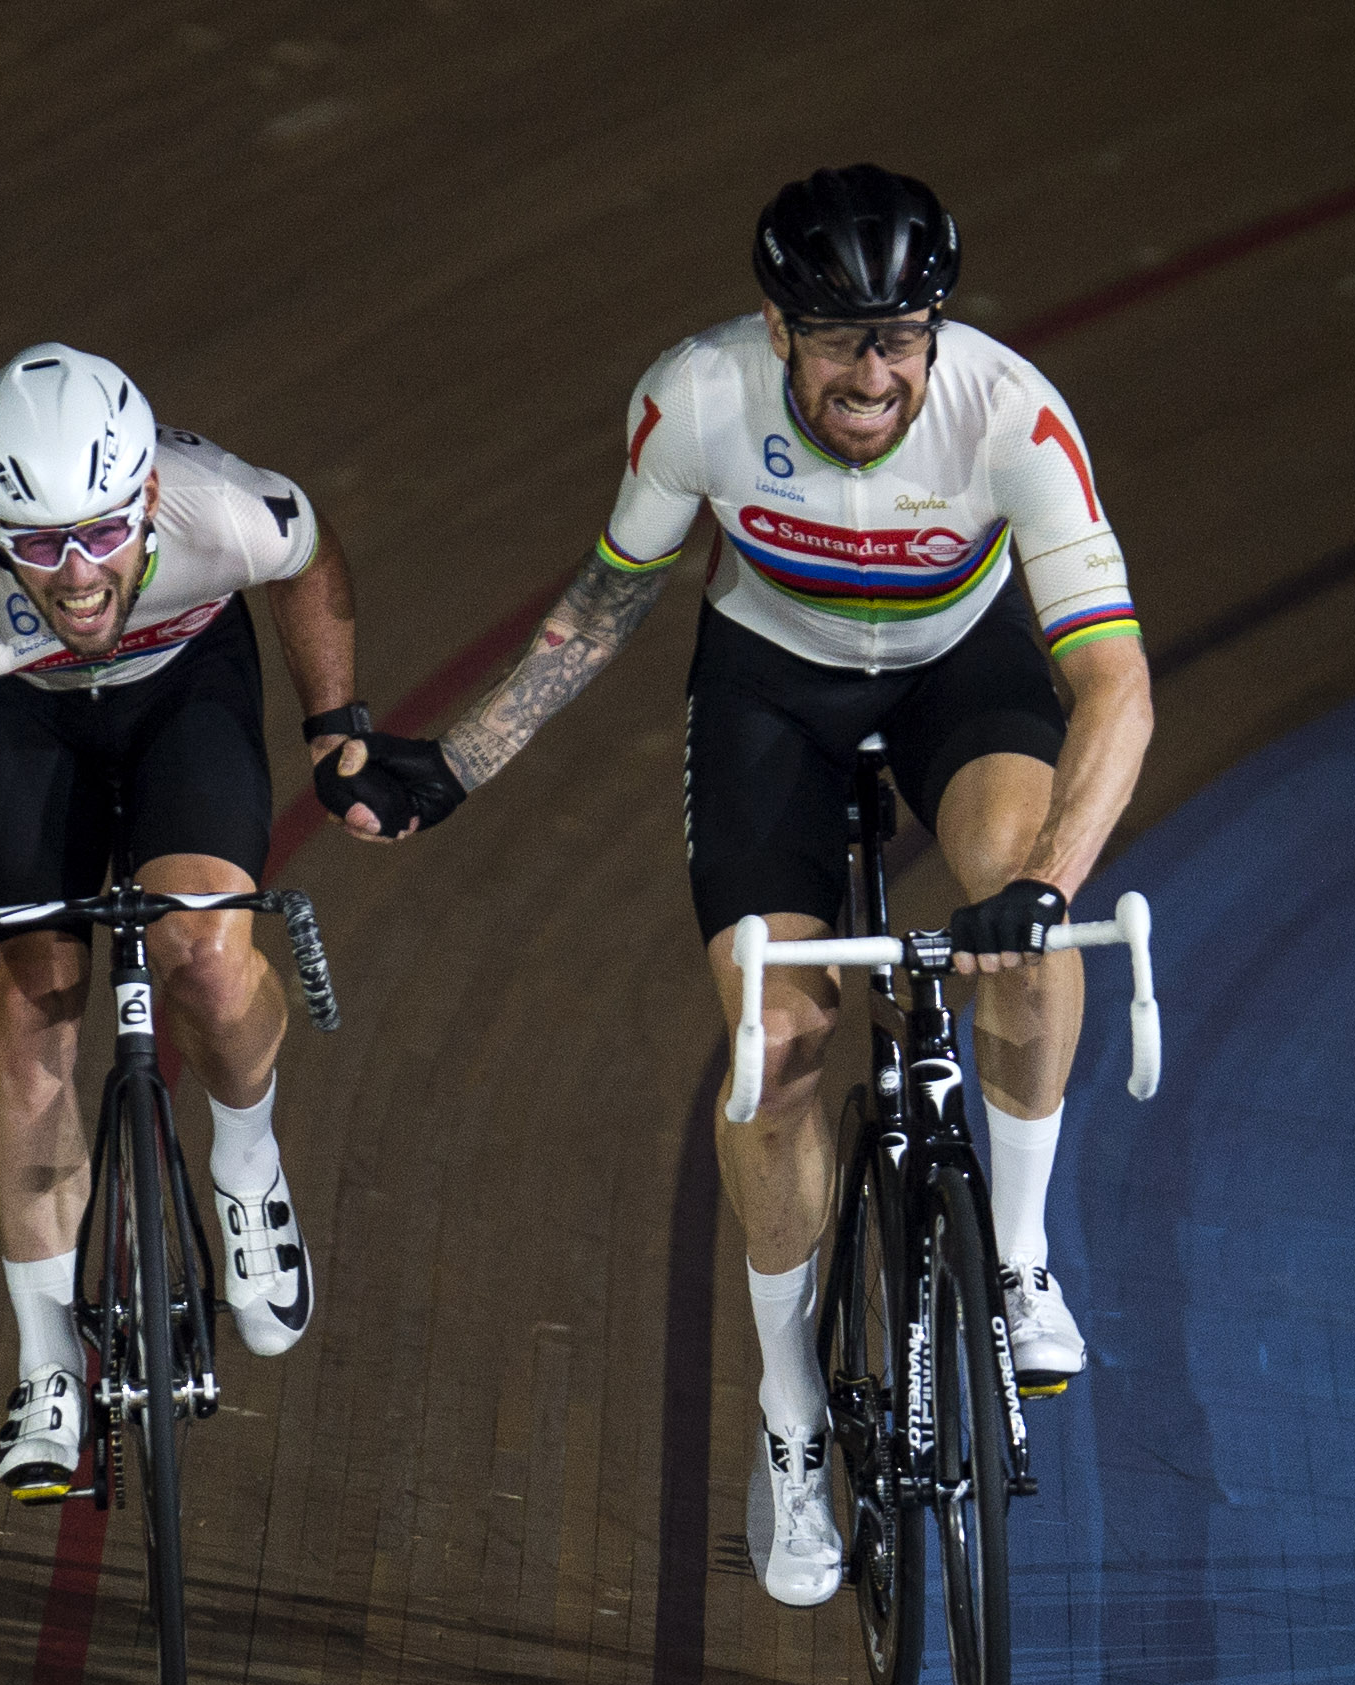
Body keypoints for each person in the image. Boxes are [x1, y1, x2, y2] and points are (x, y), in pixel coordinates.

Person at [319, 168, 1154, 1604]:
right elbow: (609, 606)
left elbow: (1117, 685)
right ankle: (788, 1418)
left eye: (901, 337)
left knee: (1022, 929)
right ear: (778, 328)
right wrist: (455, 765)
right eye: (839, 338)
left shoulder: (1013, 411)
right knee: (779, 1048)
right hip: (770, 692)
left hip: (964, 678)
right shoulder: (696, 400)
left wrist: (1048, 879)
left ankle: (1015, 1259)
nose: (874, 373)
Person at [0, 344, 381, 1500]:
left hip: (181, 692)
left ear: (147, 497)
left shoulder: (221, 513)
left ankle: (247, 1166)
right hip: (21, 714)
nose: (74, 573)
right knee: (30, 1006)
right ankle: (48, 1360)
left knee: (205, 949)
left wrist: (332, 720)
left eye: (101, 533)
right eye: (40, 543)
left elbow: (310, 556)